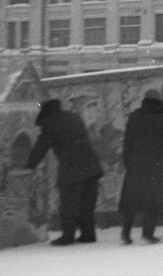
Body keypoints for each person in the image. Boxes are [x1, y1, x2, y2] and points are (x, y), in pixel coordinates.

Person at [23, 98, 104, 245]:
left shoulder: (50, 123)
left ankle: (68, 236)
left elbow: (41, 147)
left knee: (68, 204)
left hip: (72, 169)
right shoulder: (74, 117)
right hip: (91, 166)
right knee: (86, 203)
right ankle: (88, 234)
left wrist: (29, 165)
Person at [118, 89, 163, 245]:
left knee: (131, 201)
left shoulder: (134, 117)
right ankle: (148, 234)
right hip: (156, 166)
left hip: (136, 165)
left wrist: (128, 162)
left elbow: (127, 143)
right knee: (152, 201)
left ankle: (125, 233)